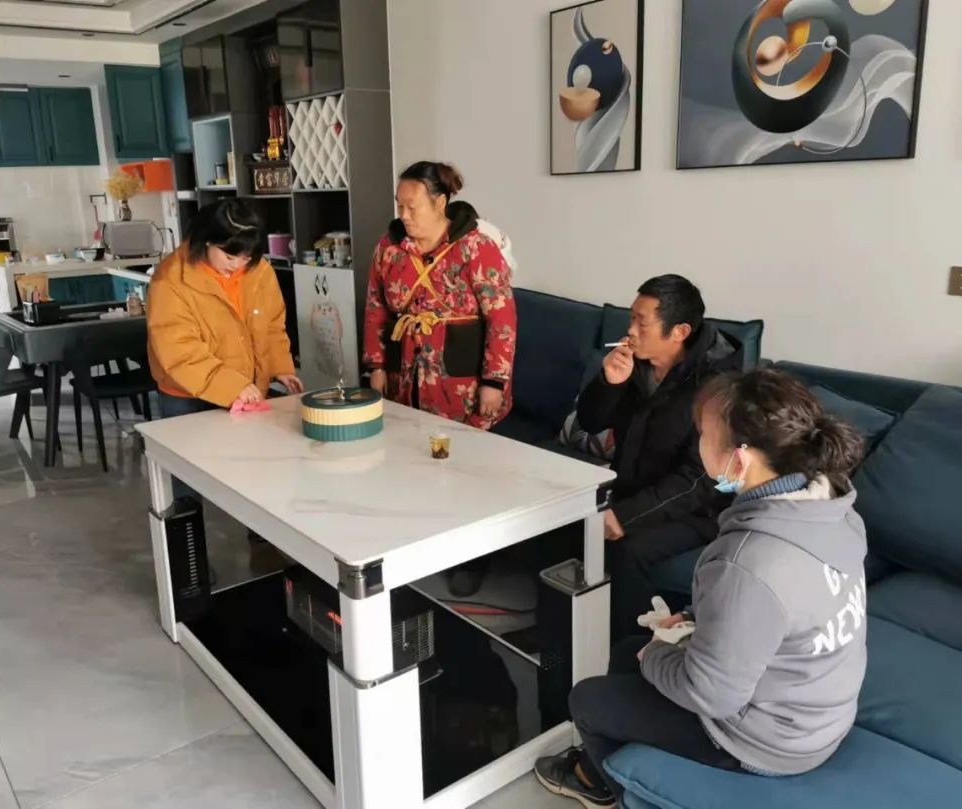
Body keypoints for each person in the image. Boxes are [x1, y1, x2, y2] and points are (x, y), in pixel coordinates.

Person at [535, 368, 869, 807]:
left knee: (589, 698)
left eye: (704, 435)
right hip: (818, 715)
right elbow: (786, 608)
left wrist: (655, 654)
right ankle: (610, 760)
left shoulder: (748, 560)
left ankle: (606, 787)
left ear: (740, 461)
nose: (698, 445)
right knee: (625, 652)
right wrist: (696, 619)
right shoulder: (834, 510)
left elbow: (711, 693)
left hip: (768, 741)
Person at [576, 275, 743, 638]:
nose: (630, 330)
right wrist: (608, 383)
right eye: (631, 318)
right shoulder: (635, 361)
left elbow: (699, 479)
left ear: (679, 331)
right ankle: (568, 630)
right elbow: (590, 422)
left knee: (627, 549)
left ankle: (635, 647)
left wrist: (627, 515)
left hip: (699, 509)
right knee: (565, 520)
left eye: (642, 322)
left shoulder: (717, 384)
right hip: (633, 485)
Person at [363, 161, 517, 430]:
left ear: (440, 203)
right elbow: (375, 309)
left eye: (413, 207)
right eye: (400, 206)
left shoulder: (476, 248)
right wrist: (376, 367)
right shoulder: (388, 249)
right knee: (407, 443)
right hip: (404, 378)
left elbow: (502, 319)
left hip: (461, 384)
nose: (404, 215)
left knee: (459, 449)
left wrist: (494, 382)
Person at [148, 198, 303, 419]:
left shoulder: (259, 271)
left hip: (245, 388)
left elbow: (271, 326)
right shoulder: (171, 279)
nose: (236, 265)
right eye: (229, 257)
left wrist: (280, 368)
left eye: (246, 258)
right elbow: (180, 350)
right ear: (207, 241)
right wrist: (232, 386)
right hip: (187, 396)